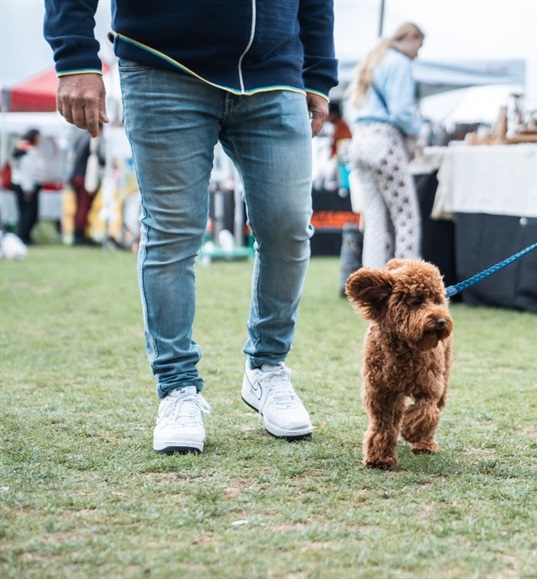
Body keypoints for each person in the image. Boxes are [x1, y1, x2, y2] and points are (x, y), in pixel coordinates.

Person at [44, 0, 338, 453]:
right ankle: (178, 387)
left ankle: (267, 368)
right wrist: (76, 57)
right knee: (172, 232)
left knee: (289, 226)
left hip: (275, 71)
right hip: (162, 62)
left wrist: (318, 74)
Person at [346, 22, 425, 269]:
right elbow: (401, 113)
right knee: (406, 218)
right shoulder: (399, 63)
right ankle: (408, 283)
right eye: (418, 47)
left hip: (359, 141)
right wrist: (417, 128)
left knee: (374, 221)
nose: (417, 54)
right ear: (411, 37)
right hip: (384, 142)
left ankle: (373, 286)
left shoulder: (373, 61)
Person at [68, 124, 105, 246]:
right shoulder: (91, 141)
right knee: (83, 207)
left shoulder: (81, 138)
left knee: (80, 207)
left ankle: (80, 234)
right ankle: (79, 235)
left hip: (78, 177)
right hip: (84, 177)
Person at [9, 129, 45, 245]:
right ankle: (23, 236)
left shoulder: (19, 148)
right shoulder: (28, 150)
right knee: (29, 213)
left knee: (24, 212)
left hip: (19, 184)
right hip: (27, 186)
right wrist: (28, 190)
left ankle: (24, 236)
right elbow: (28, 171)